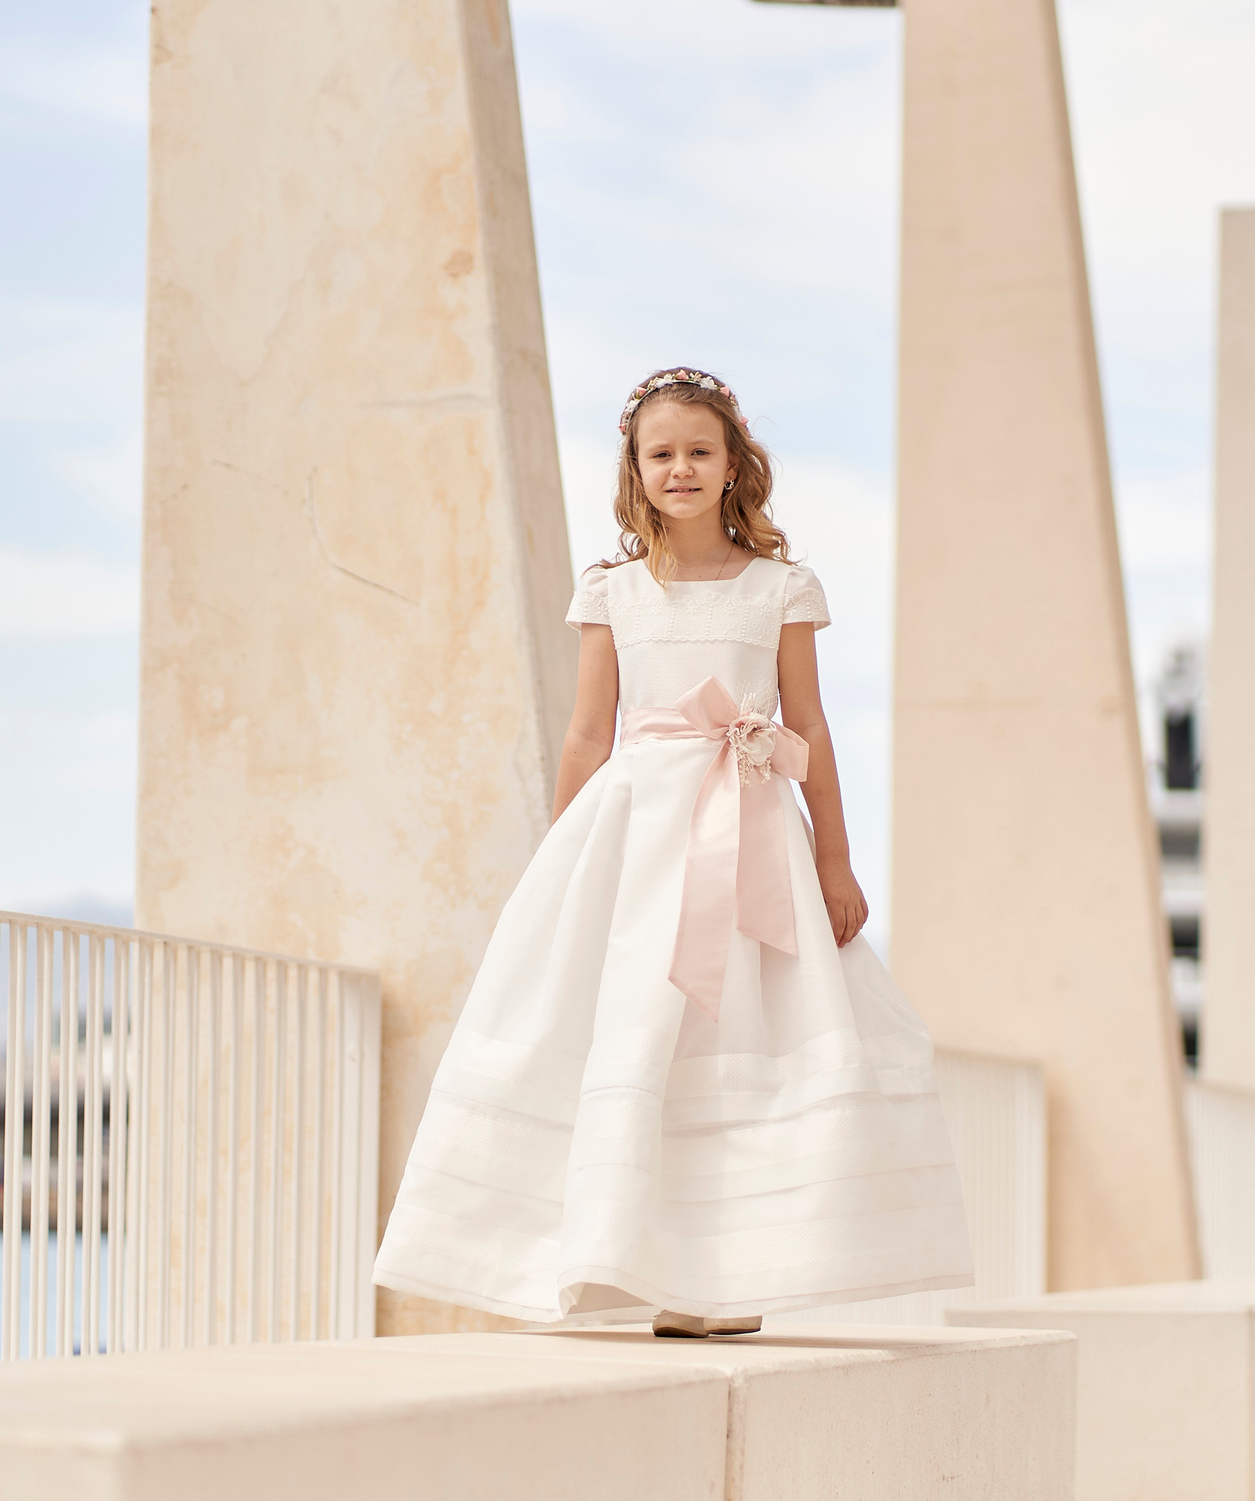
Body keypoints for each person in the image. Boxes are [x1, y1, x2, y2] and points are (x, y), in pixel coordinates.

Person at [371, 368, 973, 1337]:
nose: (681, 468)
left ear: (734, 464)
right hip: (638, 837)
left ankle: (722, 1279)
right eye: (662, 454)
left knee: (736, 1032)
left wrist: (833, 863)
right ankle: (611, 1257)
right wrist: (561, 861)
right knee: (638, 1032)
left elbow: (808, 726)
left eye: (700, 450)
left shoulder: (782, 589)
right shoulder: (614, 591)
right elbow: (584, 735)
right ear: (635, 471)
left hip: (750, 834)